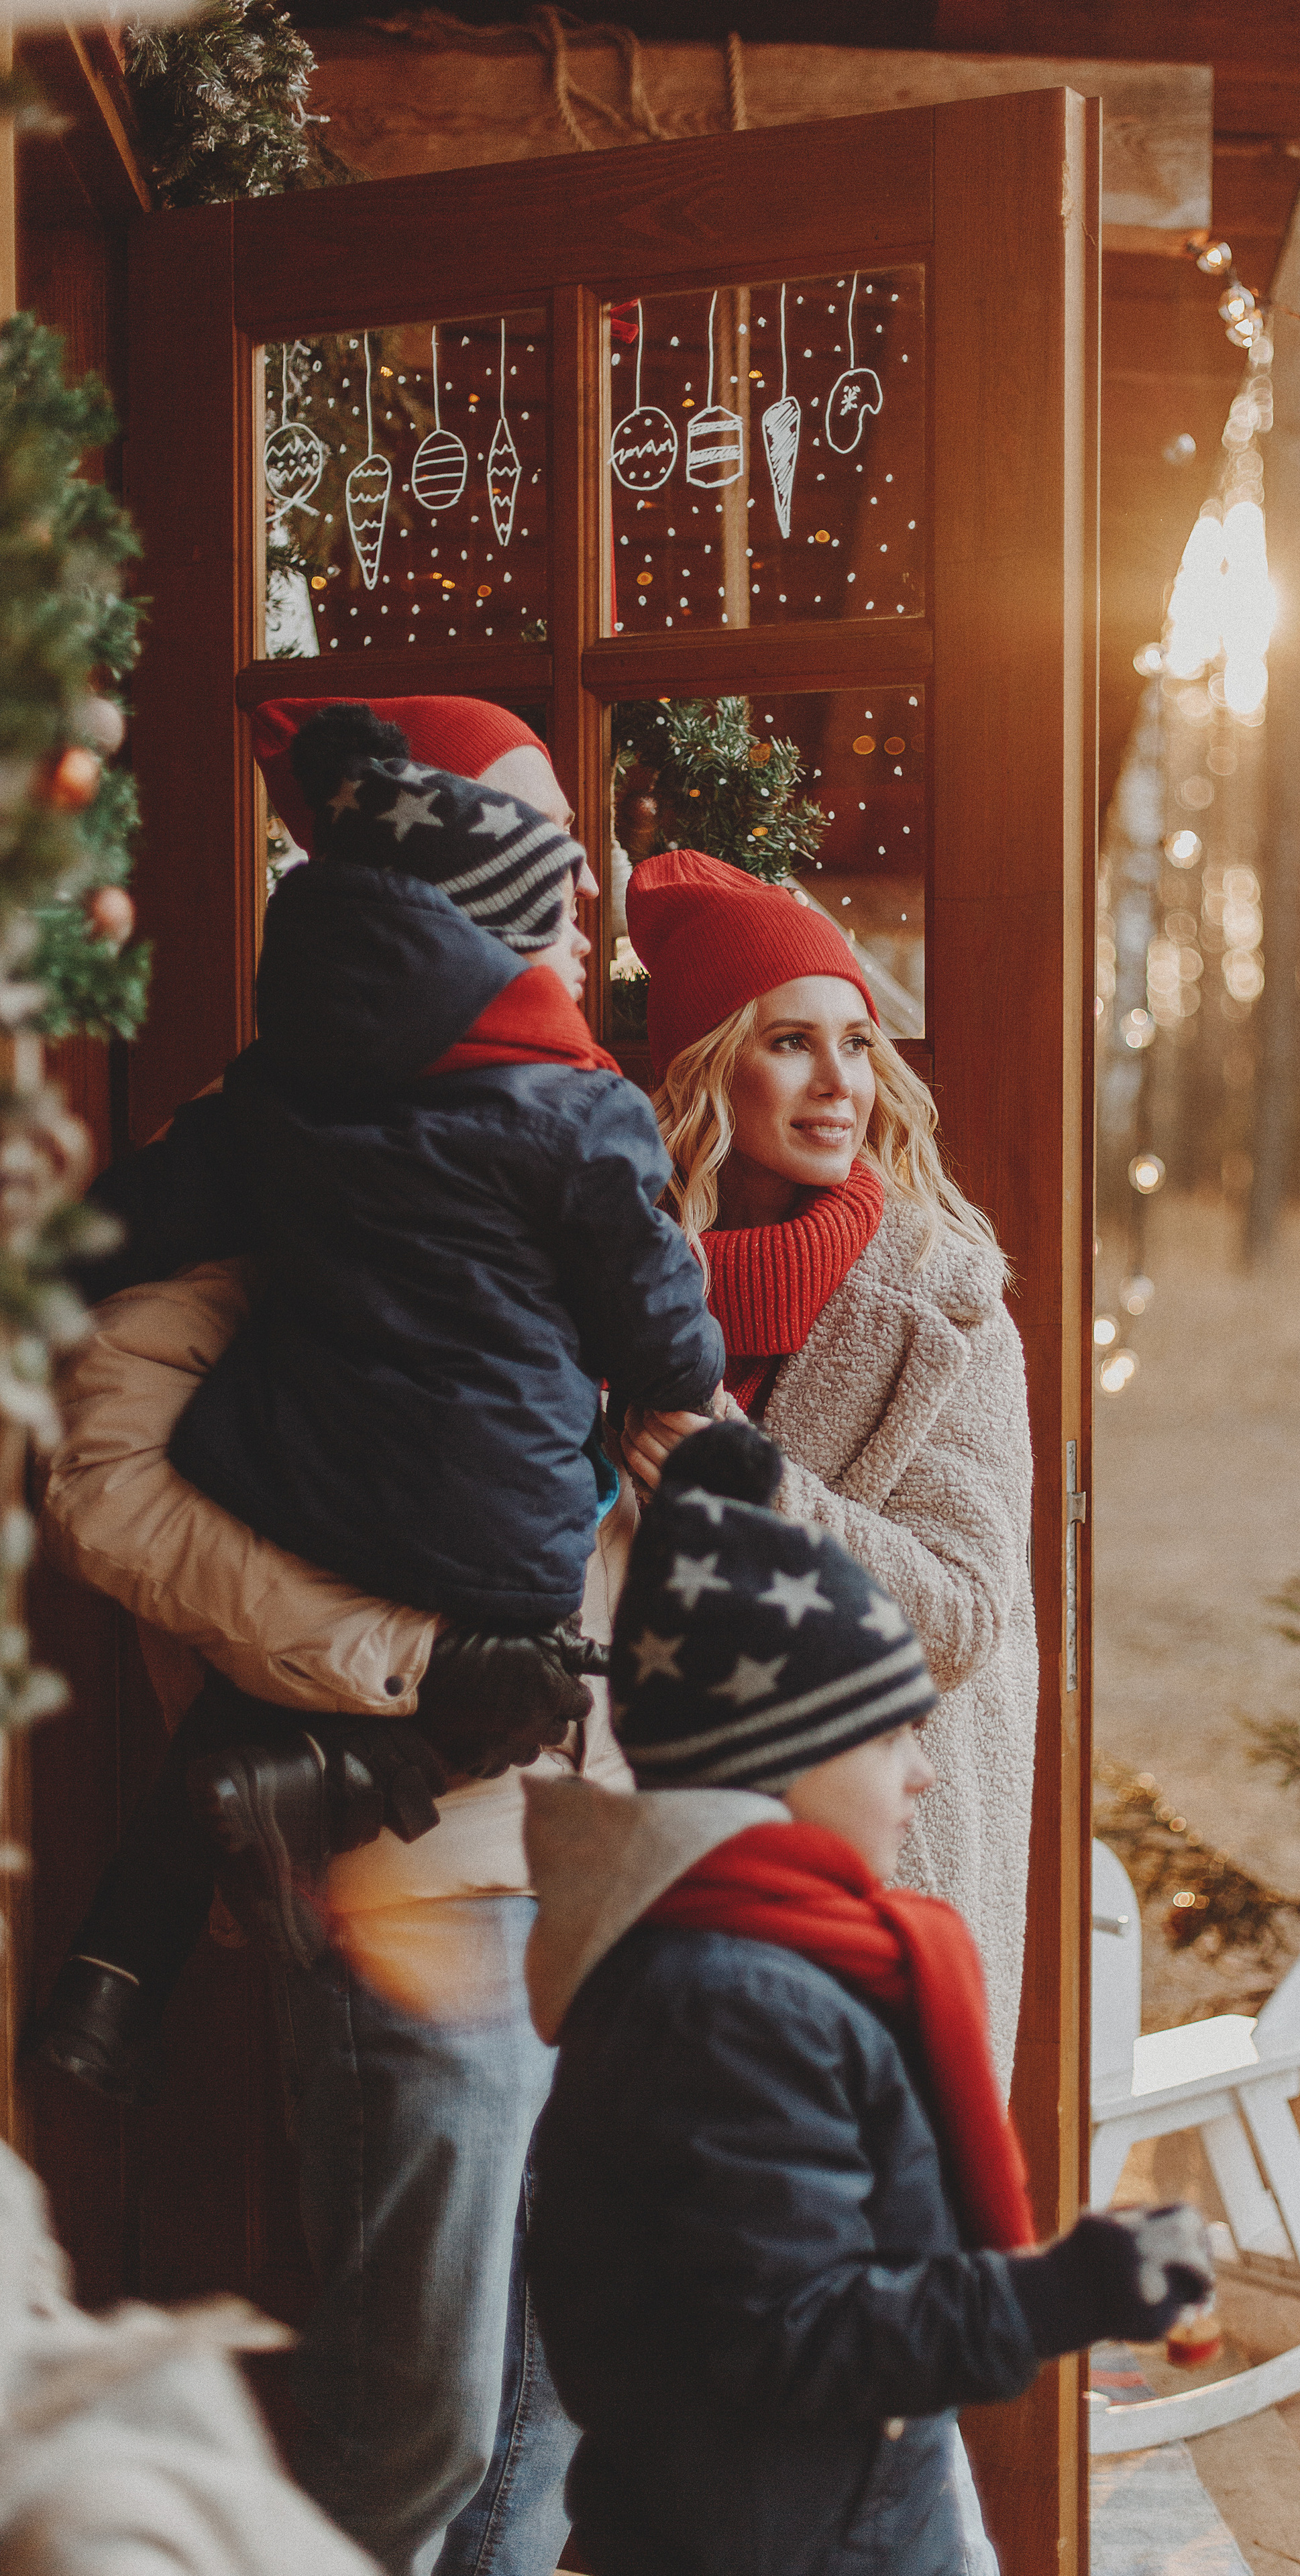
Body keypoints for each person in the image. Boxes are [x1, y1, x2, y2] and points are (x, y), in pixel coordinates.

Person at [34, 694, 720, 2576]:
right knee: (417, 2421)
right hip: (409, 1839)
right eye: (534, 834)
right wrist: (421, 1670)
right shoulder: (278, 1161)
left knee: (560, 2397)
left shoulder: (562, 1130)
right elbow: (113, 1497)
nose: (585, 881)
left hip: (601, 1842)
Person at [523, 1419, 1213, 2576]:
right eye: (894, 1736)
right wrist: (1067, 2292)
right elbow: (796, 2335)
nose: (924, 1772)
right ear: (782, 1754)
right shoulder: (729, 2006)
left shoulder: (769, 1958)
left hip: (845, 2504)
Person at [616, 847, 1039, 2085]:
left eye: (857, 1045)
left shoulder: (947, 1307)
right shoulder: (614, 1294)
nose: (839, 1082)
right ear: (709, 1070)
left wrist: (757, 1490)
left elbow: (962, 1615)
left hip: (874, 1870)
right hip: (659, 1859)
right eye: (791, 1043)